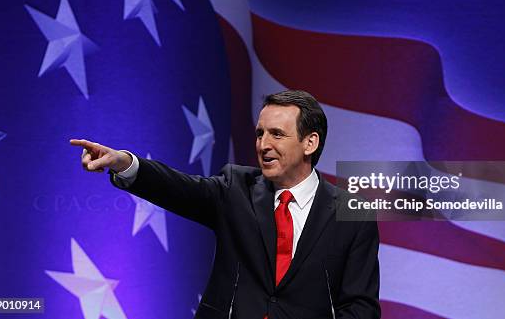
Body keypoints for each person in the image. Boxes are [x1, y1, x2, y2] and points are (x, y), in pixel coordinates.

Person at [70, 90, 380, 319]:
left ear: (309, 143)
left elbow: (361, 307)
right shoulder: (235, 188)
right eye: (259, 134)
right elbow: (175, 188)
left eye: (276, 134)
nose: (263, 145)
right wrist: (126, 163)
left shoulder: (351, 213)